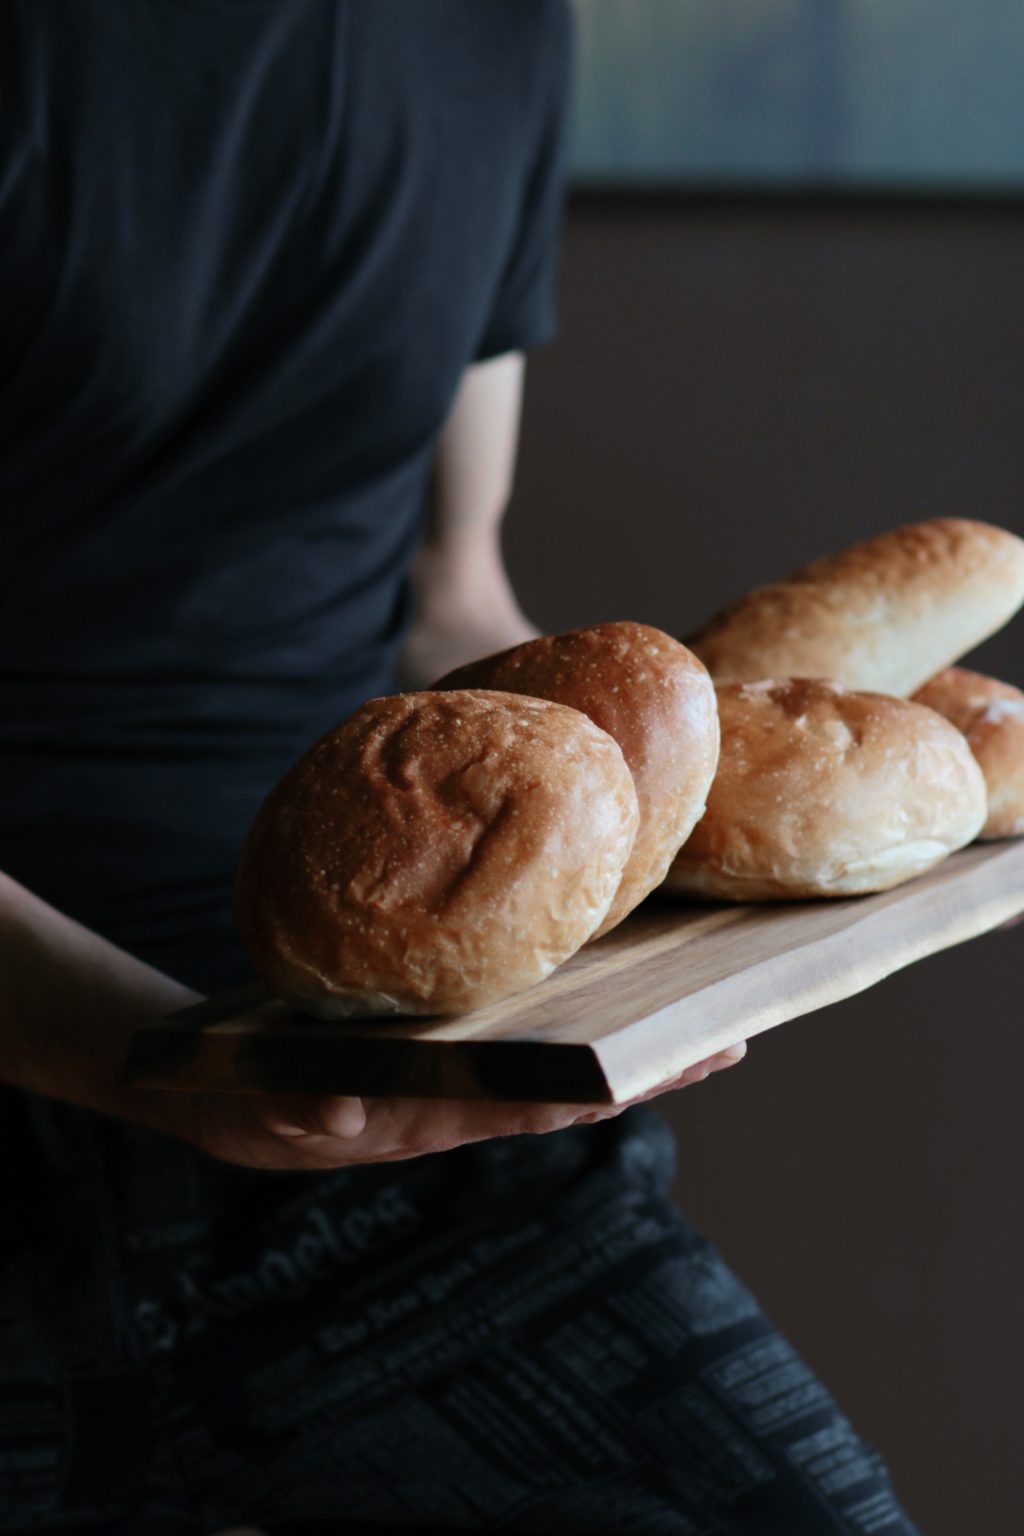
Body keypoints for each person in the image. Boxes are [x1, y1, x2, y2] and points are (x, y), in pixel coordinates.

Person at [0, 3, 921, 1532]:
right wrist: (141, 1059)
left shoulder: (492, 32)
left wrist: (681, 879)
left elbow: (454, 601)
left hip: (354, 1098)